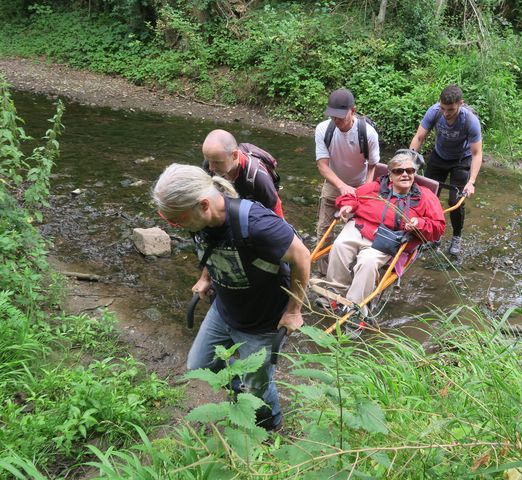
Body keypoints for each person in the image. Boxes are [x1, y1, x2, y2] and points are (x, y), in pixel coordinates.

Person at [153, 164, 310, 431]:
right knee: (199, 364)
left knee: (257, 388)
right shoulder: (200, 218)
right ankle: (242, 388)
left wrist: (294, 310)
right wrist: (205, 277)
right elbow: (209, 246)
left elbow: (302, 256)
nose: (175, 226)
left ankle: (271, 426)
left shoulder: (257, 224)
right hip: (224, 309)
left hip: (262, 323)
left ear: (203, 205)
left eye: (176, 220)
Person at [324, 151, 445, 320]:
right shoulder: (375, 187)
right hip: (360, 227)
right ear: (390, 175)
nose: (405, 174)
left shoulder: (426, 196)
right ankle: (335, 294)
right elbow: (351, 196)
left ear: (414, 173)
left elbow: (439, 227)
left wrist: (420, 224)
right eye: (398, 171)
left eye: (410, 171)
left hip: (388, 238)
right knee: (340, 245)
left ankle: (354, 309)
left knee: (368, 262)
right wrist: (348, 206)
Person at [409, 84, 483, 256]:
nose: (446, 113)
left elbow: (477, 153)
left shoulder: (470, 120)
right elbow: (419, 137)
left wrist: (471, 182)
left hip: (461, 160)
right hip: (439, 156)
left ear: (460, 103)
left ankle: (456, 236)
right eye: (443, 108)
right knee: (427, 197)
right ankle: (433, 236)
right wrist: (409, 163)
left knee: (454, 201)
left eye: (450, 109)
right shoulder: (434, 111)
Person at [315, 88, 380, 274]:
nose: (336, 121)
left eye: (340, 117)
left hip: (359, 186)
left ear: (353, 110)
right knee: (323, 231)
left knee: (356, 233)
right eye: (332, 116)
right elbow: (322, 166)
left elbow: (373, 165)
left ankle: (350, 272)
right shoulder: (323, 129)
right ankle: (323, 273)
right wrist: (342, 186)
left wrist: (365, 190)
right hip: (334, 183)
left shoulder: (368, 133)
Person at [202, 129, 284, 218]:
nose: (211, 168)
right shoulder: (210, 163)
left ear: (234, 155)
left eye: (217, 162)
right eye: (208, 160)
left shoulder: (259, 178)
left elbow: (276, 213)